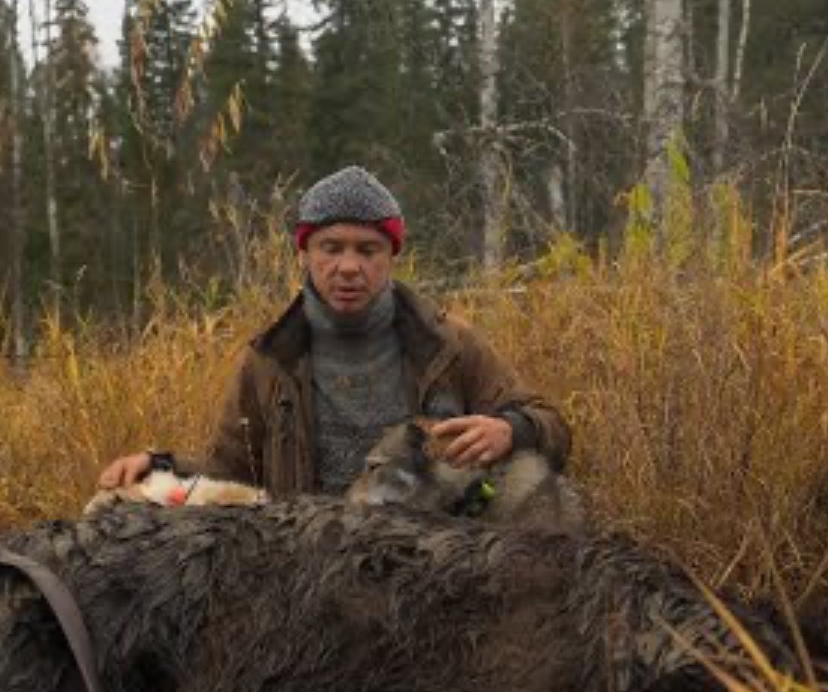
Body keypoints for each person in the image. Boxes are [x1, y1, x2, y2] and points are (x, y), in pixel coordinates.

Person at [97, 165, 570, 498]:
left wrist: (510, 429)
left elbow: (551, 424)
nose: (347, 267)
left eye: (367, 250)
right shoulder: (270, 360)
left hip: (431, 561)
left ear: (392, 256)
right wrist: (159, 466)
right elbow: (231, 475)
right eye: (331, 247)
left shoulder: (448, 345)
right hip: (311, 568)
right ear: (304, 253)